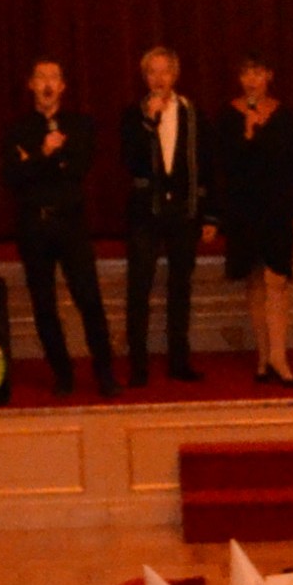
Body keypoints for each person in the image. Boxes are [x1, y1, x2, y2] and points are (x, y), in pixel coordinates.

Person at [4, 57, 111, 398]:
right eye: (41, 77)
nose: (48, 84)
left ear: (63, 86)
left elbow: (76, 169)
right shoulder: (18, 130)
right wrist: (46, 154)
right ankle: (62, 373)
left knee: (89, 299)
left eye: (54, 78)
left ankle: (105, 373)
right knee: (44, 305)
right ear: (31, 85)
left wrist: (35, 160)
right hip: (34, 225)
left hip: (71, 223)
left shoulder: (80, 125)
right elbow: (14, 178)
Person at [217, 54, 293, 385]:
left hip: (278, 207)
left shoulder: (284, 115)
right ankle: (263, 356)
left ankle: (280, 357)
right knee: (255, 280)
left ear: (269, 75)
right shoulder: (229, 116)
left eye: (257, 72)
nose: (251, 80)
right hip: (244, 208)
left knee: (277, 279)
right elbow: (225, 166)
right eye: (245, 73)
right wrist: (247, 133)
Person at [121, 44, 204, 388]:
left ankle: (179, 361)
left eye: (164, 71)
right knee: (139, 288)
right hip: (146, 213)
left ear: (175, 75)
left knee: (180, 287)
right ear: (145, 77)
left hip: (183, 212)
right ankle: (138, 364)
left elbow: (205, 163)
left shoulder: (191, 113)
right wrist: (148, 123)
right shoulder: (133, 115)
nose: (158, 78)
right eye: (152, 72)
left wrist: (209, 215)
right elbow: (131, 160)